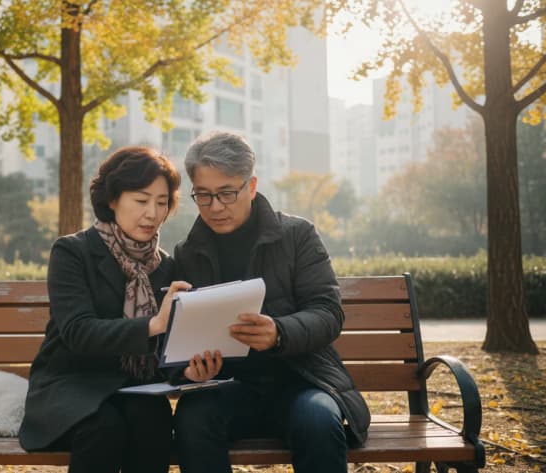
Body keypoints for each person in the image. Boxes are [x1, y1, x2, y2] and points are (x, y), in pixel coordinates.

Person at [171, 131, 371, 473]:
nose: (215, 207)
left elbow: (328, 312)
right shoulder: (187, 253)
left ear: (251, 186)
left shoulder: (297, 236)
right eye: (203, 195)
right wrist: (190, 370)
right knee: (192, 417)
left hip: (303, 381)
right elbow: (176, 338)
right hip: (229, 388)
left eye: (226, 193)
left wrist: (280, 332)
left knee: (318, 423)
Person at [19, 146, 190, 473]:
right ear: (112, 199)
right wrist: (152, 325)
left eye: (162, 202)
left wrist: (188, 371)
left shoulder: (166, 266)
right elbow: (78, 332)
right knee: (104, 427)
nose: (152, 214)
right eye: (141, 201)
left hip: (134, 388)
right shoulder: (72, 252)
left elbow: (168, 354)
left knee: (152, 419)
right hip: (71, 385)